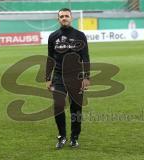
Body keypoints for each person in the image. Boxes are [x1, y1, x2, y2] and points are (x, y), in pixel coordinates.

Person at [45, 8, 90, 149]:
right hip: (58, 77)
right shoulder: (53, 36)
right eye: (61, 16)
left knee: (76, 109)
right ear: (58, 19)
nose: (64, 18)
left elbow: (85, 57)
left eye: (66, 16)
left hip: (76, 77)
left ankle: (74, 137)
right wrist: (47, 77)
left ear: (71, 18)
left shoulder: (80, 35)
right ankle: (62, 136)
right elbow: (50, 58)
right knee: (58, 106)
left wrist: (86, 77)